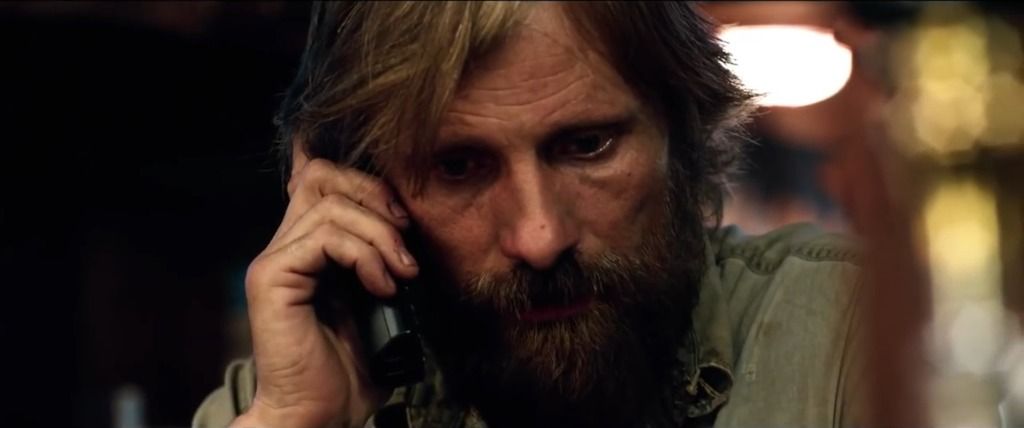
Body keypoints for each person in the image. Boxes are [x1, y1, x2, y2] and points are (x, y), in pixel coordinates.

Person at [193, 2, 864, 427]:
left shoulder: (850, 337)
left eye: (588, 145)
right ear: (357, 185)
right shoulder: (282, 398)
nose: (540, 238)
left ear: (685, 132)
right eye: (459, 166)